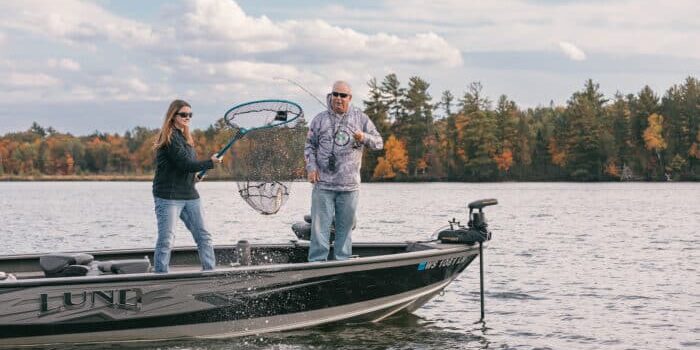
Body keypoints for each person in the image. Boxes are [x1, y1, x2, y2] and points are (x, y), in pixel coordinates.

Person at [304, 81, 383, 261]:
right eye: (335, 94)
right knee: (319, 229)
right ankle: (317, 263)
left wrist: (363, 137)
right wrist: (311, 167)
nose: (338, 98)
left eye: (343, 95)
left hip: (349, 187)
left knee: (345, 230)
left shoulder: (360, 118)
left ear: (350, 98)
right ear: (331, 96)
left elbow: (379, 142)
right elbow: (309, 146)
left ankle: (342, 263)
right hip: (323, 185)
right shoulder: (319, 119)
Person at [152, 99, 224, 273]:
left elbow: (187, 167)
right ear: (173, 116)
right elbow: (184, 164)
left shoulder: (186, 138)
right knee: (166, 240)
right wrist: (210, 163)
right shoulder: (169, 138)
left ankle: (209, 272)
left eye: (190, 115)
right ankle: (160, 275)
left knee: (204, 236)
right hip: (168, 197)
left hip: (190, 195)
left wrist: (196, 177)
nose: (187, 117)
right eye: (183, 114)